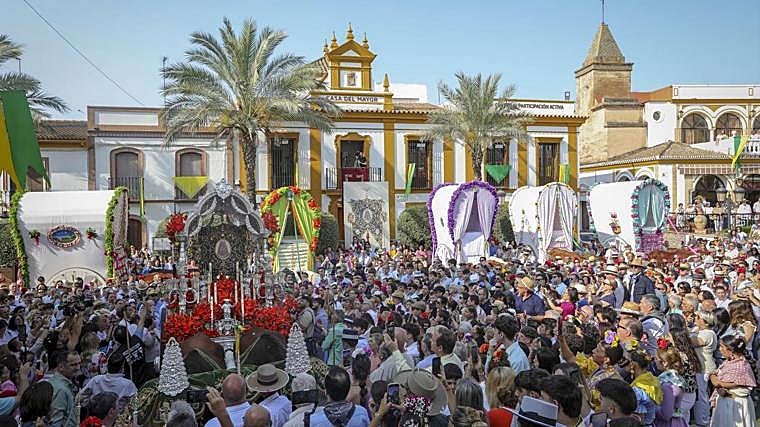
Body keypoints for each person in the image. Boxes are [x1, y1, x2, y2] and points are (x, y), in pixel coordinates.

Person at [709, 335, 756, 427]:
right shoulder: (729, 362)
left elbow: (721, 383)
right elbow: (715, 377)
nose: (720, 349)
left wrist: (714, 379)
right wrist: (714, 377)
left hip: (734, 404)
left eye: (722, 346)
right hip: (727, 402)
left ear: (730, 349)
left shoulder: (740, 365)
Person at [46, 350, 81, 427]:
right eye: (73, 365)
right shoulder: (60, 389)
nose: (78, 367)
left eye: (79, 363)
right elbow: (56, 422)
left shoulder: (63, 384)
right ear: (61, 367)